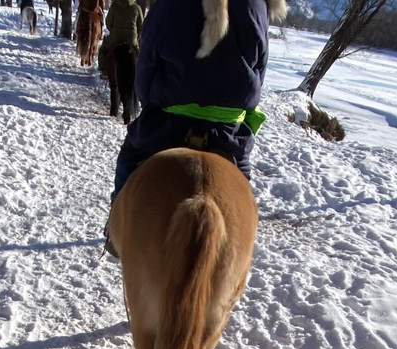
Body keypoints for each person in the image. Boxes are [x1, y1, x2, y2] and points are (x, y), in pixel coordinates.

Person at [104, 0, 286, 256]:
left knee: (129, 158)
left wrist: (154, 97)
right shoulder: (258, 5)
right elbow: (259, 70)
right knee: (241, 186)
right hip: (227, 131)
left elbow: (146, 69)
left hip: (168, 123)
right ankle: (240, 251)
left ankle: (115, 232)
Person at [97, 0, 144, 78]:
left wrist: (114, 31)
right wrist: (136, 38)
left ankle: (104, 70)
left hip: (115, 39)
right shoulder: (136, 8)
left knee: (102, 50)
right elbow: (141, 26)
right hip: (131, 40)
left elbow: (108, 23)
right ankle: (140, 73)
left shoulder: (114, 7)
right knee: (138, 55)